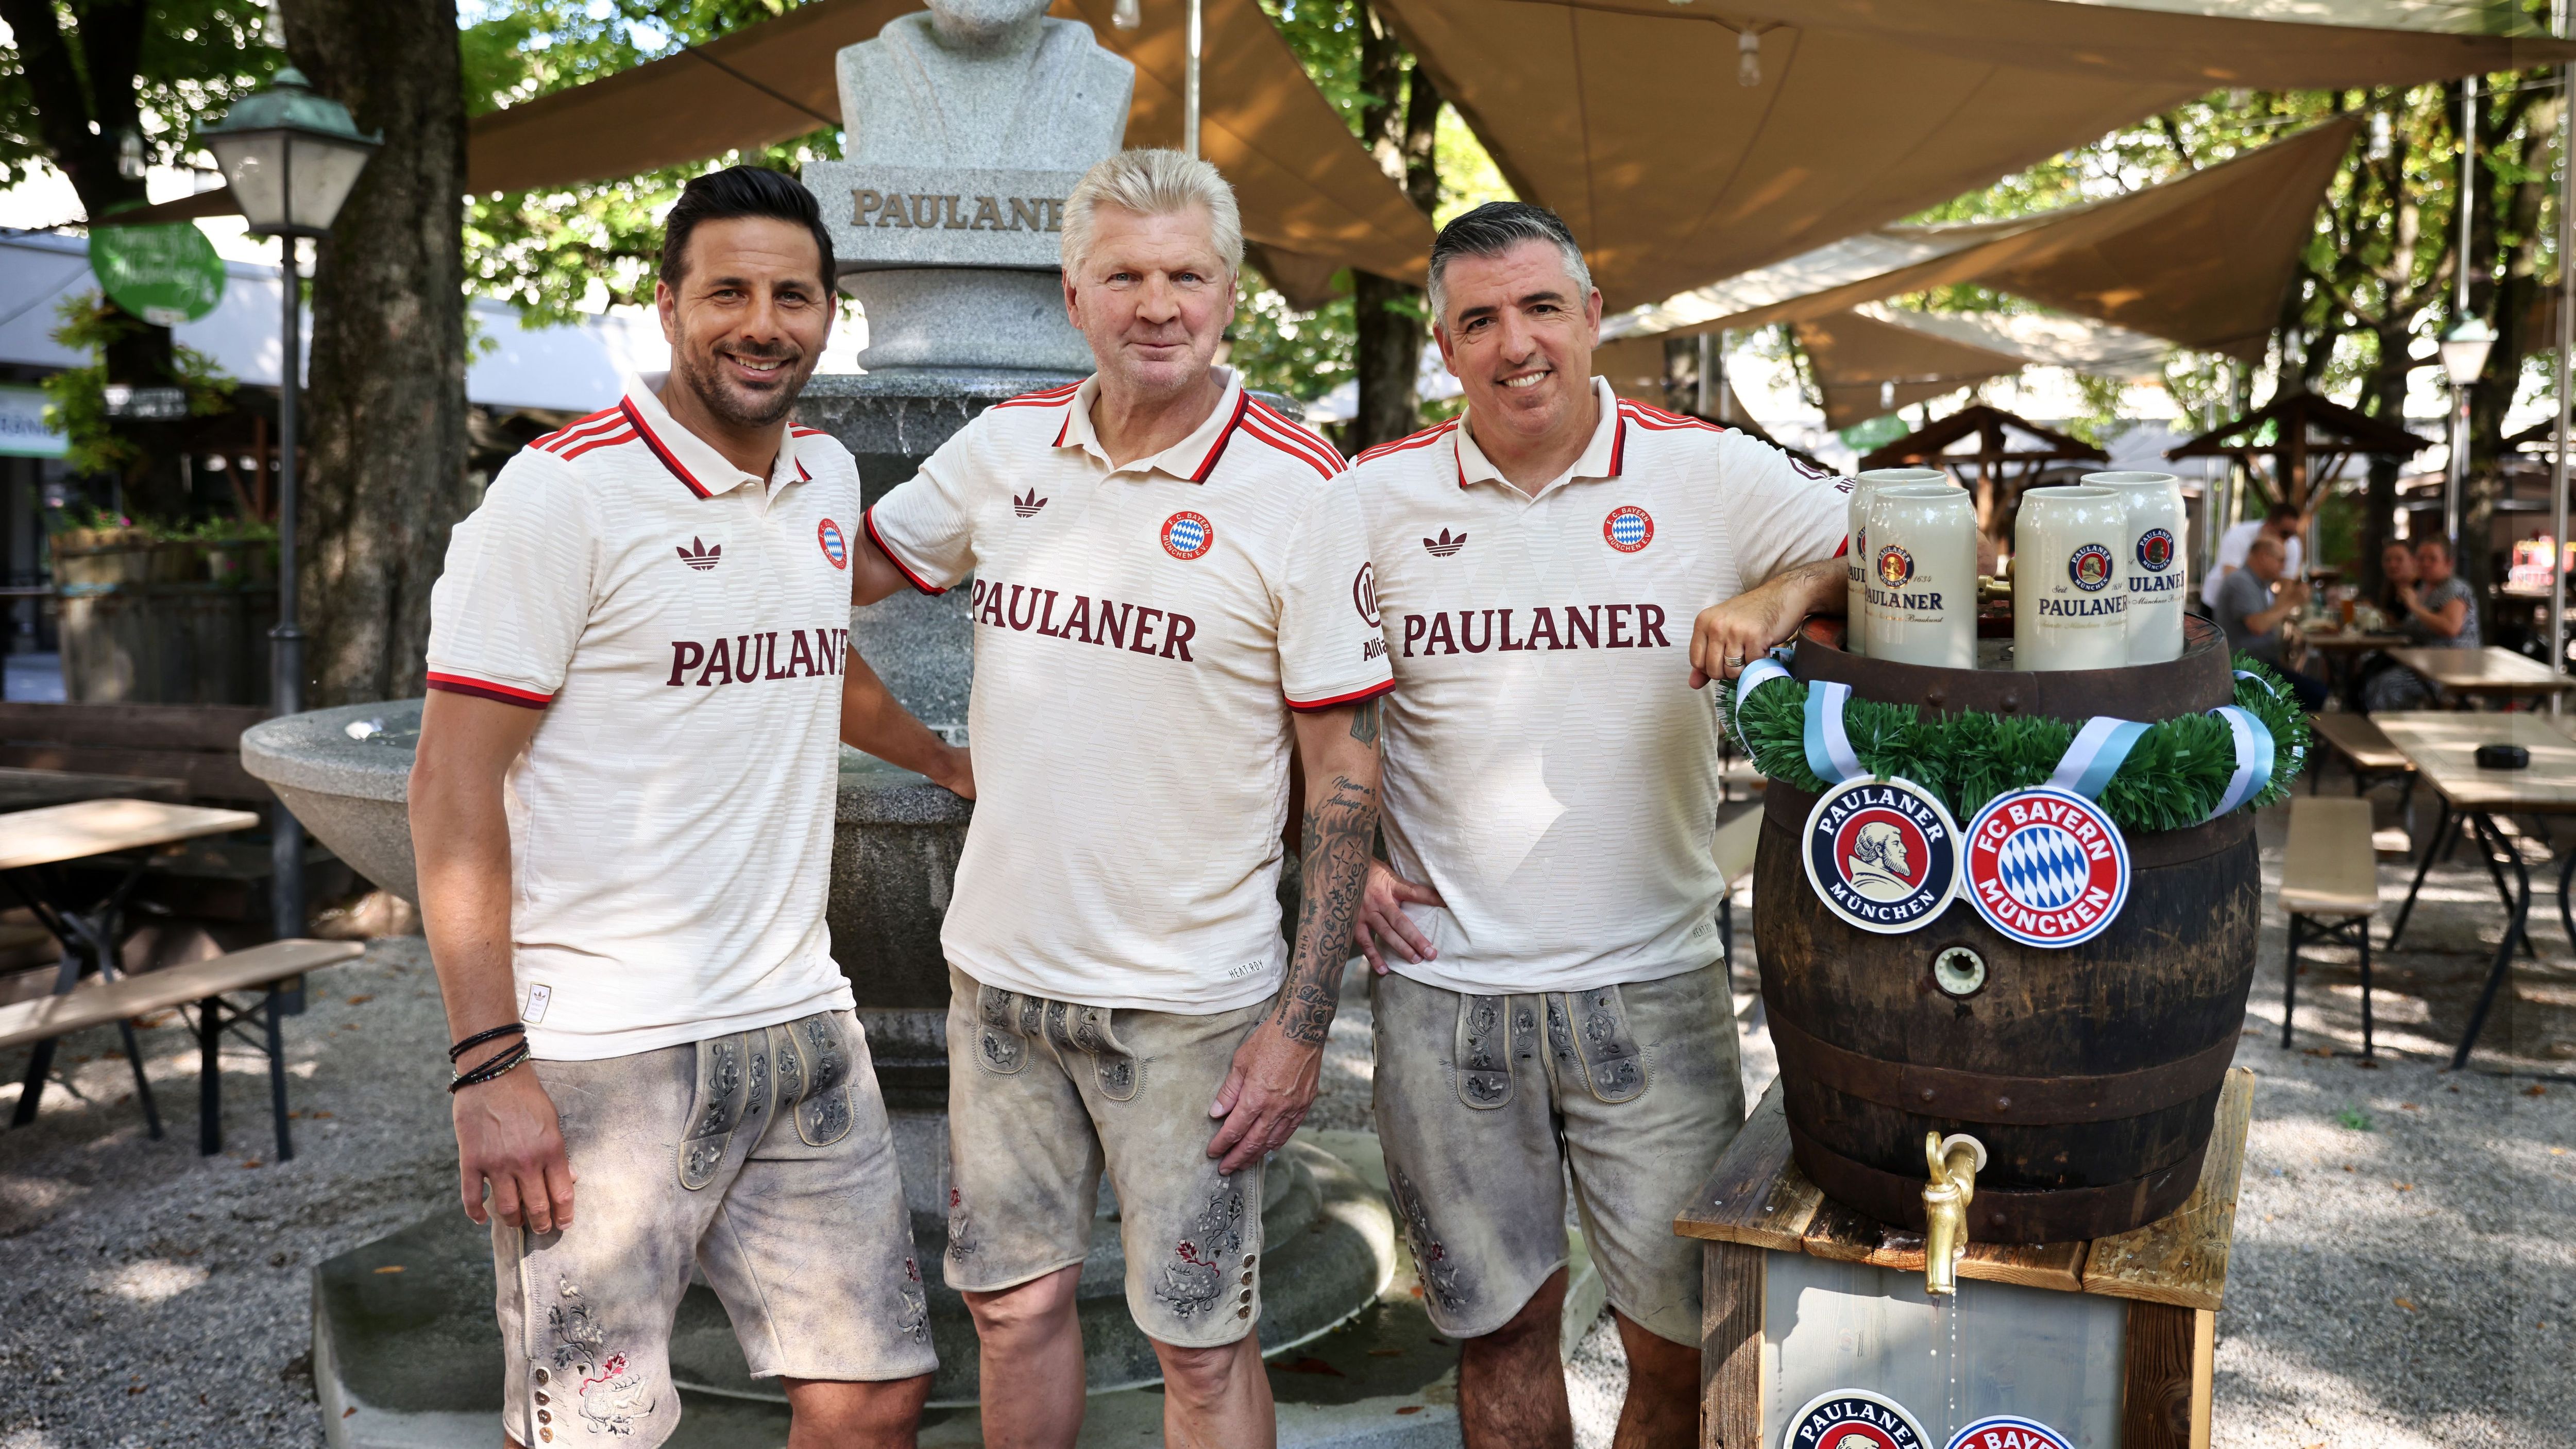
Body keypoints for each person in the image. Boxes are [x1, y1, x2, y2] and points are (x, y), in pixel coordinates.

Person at [411, 167, 966, 1449]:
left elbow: (812, 645)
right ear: (667, 306)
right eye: (727, 291)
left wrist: (944, 762)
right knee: (593, 1425)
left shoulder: (824, 478)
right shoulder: (562, 495)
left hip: (800, 1019)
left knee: (876, 1390)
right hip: (606, 1048)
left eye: (792, 294)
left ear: (831, 315)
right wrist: (488, 1060)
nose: (760, 321)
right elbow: (450, 779)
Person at [852, 149, 1391, 1449]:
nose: (1158, 303)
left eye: (1187, 274)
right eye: (1125, 275)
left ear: (1228, 293)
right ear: (1073, 292)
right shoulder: (1006, 448)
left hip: (1191, 1006)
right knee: (1009, 1310)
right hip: (1000, 983)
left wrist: (1300, 1024)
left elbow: (1346, 768)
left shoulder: (1299, 482)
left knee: (1198, 1348)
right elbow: (840, 572)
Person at [1342, 201, 1853, 1449]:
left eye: (1540, 308)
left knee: (1679, 1345)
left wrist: (1780, 593)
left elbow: (1894, 546)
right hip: (1442, 988)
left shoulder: (1706, 470)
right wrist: (1341, 853)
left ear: (1592, 316)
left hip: (1654, 980)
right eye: (1480, 320)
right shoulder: (1370, 498)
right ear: (1444, 344)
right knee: (1498, 1332)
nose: (1515, 343)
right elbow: (1280, 696)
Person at [2364, 537, 2481, 712]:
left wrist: (2415, 607)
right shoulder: (2425, 589)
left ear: (2448, 563)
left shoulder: (2455, 589)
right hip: (2424, 665)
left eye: (2432, 559)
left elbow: (2450, 627)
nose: (2425, 564)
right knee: (2371, 675)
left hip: (2448, 667)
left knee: (2386, 685)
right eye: (2421, 558)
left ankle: (2394, 735)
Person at [2212, 535, 2328, 709]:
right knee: (2318, 694)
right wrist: (2293, 602)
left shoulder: (2256, 583)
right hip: (2248, 672)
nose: (2284, 567)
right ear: (2264, 557)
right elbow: (2258, 626)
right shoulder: (2240, 582)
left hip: (2258, 667)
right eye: (2281, 560)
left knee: (2315, 689)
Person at [2200, 502, 2309, 610]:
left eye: (2293, 534)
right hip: (2216, 603)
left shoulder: (2293, 545)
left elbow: (2286, 585)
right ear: (2269, 525)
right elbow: (2232, 580)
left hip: (2252, 606)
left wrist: (2272, 617)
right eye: (2285, 533)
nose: (2288, 539)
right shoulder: (2238, 535)